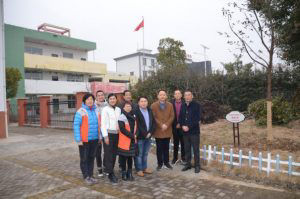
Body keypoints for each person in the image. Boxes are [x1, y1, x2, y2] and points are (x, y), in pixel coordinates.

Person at [73, 93, 100, 185]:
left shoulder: (96, 110)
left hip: (95, 139)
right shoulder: (81, 111)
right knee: (84, 159)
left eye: (91, 99)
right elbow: (76, 126)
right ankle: (86, 176)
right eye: (88, 99)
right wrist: (78, 139)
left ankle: (91, 175)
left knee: (91, 158)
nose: (90, 101)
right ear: (84, 101)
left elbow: (99, 125)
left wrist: (99, 137)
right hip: (84, 140)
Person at [151, 90, 175, 171]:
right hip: (158, 130)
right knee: (159, 148)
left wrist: (167, 124)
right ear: (158, 96)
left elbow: (172, 116)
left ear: (166, 96)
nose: (162, 96)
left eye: (164, 95)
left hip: (167, 129)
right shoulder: (153, 105)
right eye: (160, 95)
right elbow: (153, 117)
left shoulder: (170, 105)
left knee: (166, 147)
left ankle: (167, 162)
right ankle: (160, 163)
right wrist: (161, 125)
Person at [179, 90, 201, 173]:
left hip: (194, 132)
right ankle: (188, 164)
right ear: (184, 97)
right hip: (185, 132)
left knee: (195, 150)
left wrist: (188, 127)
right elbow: (180, 117)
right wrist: (182, 126)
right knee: (187, 149)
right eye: (186, 95)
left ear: (192, 96)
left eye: (189, 95)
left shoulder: (197, 105)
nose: (187, 96)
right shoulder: (183, 105)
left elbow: (197, 119)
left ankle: (197, 165)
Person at [101, 93, 121, 183]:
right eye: (111, 99)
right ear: (108, 100)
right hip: (108, 135)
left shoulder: (118, 109)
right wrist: (105, 136)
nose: (112, 100)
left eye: (114, 98)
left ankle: (108, 169)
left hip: (117, 135)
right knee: (109, 154)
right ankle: (110, 174)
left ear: (116, 100)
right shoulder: (105, 109)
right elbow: (103, 124)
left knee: (114, 154)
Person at [135, 96, 156, 177]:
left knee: (146, 153)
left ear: (147, 102)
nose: (143, 103)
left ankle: (144, 168)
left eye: (145, 101)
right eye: (142, 101)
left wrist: (150, 132)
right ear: (139, 103)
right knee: (139, 154)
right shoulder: (136, 112)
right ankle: (139, 169)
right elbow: (138, 125)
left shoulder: (150, 110)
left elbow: (153, 123)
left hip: (149, 136)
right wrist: (145, 133)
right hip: (140, 137)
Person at [118, 102, 137, 181]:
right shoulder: (121, 117)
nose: (128, 107)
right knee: (123, 158)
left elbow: (137, 127)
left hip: (132, 141)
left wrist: (135, 135)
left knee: (130, 158)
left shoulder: (134, 116)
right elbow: (122, 129)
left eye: (130, 106)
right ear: (123, 108)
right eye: (127, 106)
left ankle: (129, 173)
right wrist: (132, 136)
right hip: (124, 141)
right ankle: (123, 172)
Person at [95, 90, 108, 177]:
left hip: (106, 132)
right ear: (96, 97)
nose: (100, 97)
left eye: (102, 95)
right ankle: (99, 169)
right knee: (98, 152)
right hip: (97, 132)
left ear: (104, 96)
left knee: (107, 151)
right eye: (98, 95)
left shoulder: (108, 105)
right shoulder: (93, 106)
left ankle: (106, 167)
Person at [171, 89, 186, 165]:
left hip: (183, 126)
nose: (177, 95)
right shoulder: (171, 103)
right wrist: (175, 123)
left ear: (181, 95)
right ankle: (175, 158)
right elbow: (170, 115)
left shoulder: (185, 103)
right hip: (174, 126)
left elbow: (186, 115)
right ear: (174, 95)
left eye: (178, 93)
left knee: (183, 143)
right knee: (175, 143)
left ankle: (183, 158)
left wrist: (180, 123)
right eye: (175, 94)